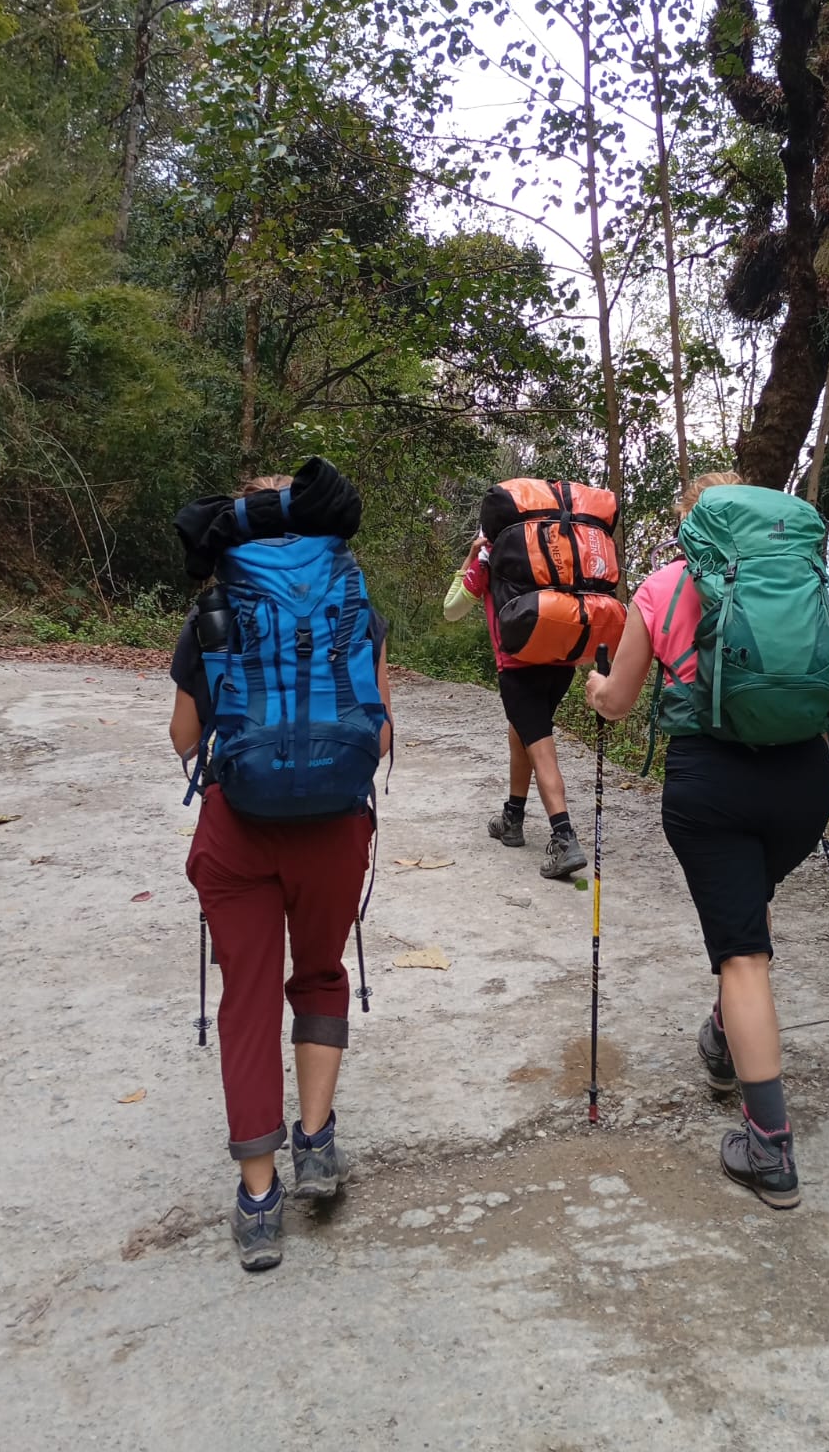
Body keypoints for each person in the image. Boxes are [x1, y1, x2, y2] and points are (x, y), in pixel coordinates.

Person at [584, 471, 829, 1209]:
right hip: (801, 789)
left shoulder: (664, 585)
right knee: (748, 911)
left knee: (742, 956)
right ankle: (724, 1032)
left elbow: (618, 702)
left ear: (692, 524)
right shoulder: (796, 583)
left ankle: (769, 1146)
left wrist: (594, 686)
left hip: (710, 788)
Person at [169, 470, 392, 1271]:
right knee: (321, 973)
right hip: (335, 827)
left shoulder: (214, 608)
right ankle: (317, 1141)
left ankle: (259, 1201)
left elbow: (184, 738)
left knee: (248, 1001)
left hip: (238, 833)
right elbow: (380, 732)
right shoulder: (353, 600)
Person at [444, 531, 586, 880]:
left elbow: (452, 609)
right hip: (562, 663)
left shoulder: (490, 556)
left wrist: (471, 556)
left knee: (539, 746)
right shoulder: (553, 552)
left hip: (519, 669)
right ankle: (513, 817)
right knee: (521, 731)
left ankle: (564, 838)